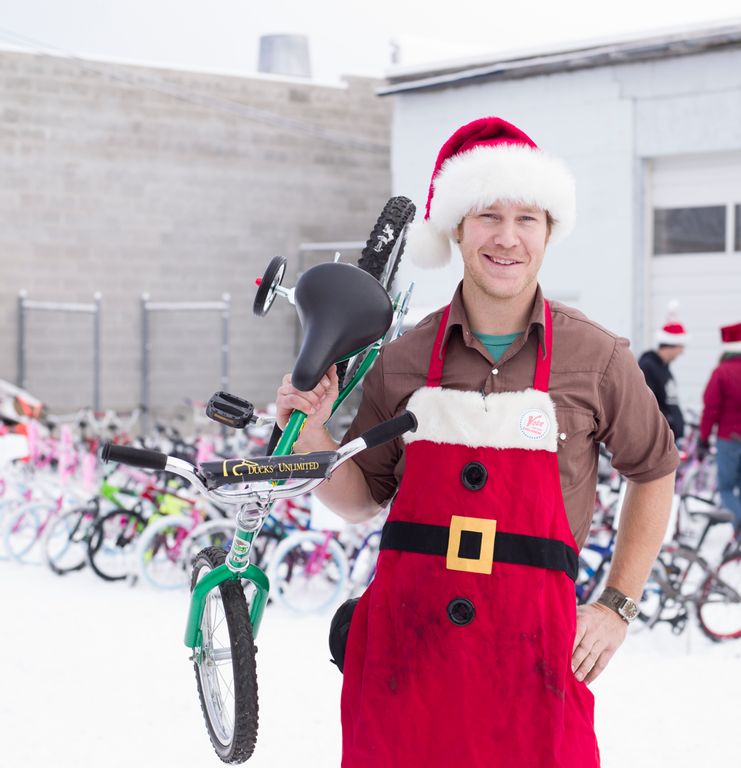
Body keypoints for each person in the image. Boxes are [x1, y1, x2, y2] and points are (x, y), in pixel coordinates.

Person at [275, 117, 678, 768]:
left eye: (529, 218)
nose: (508, 238)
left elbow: (656, 469)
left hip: (534, 676)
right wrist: (315, 434)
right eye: (489, 215)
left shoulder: (596, 358)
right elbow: (359, 499)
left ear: (550, 231)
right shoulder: (402, 358)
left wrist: (616, 605)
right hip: (408, 671)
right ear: (457, 228)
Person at [698, 323, 741, 526]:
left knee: (726, 488)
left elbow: (710, 409)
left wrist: (704, 437)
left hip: (728, 439)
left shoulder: (721, 373)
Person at [638, 315, 688, 441]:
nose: (681, 352)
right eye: (680, 347)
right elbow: (646, 403)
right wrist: (667, 422)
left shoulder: (663, 367)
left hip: (669, 437)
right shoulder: (647, 367)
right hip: (659, 439)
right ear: (669, 345)